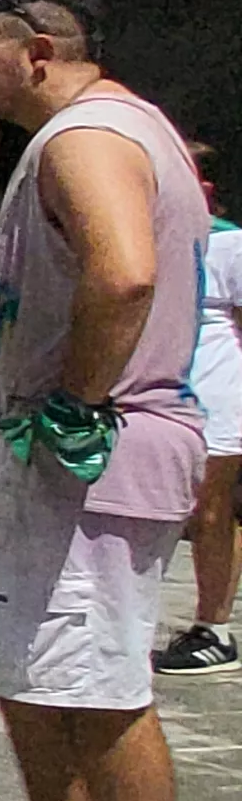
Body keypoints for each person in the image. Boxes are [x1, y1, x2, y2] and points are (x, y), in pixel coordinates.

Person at [0, 0, 218, 801]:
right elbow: (1, 294)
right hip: (55, 447)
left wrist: (80, 400)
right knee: (9, 647)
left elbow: (124, 271)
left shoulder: (89, 137)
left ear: (37, 51)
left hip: (91, 450)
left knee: (98, 683)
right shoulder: (65, 141)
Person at [160, 174, 239, 676]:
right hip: (157, 394)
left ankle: (215, 627)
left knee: (210, 512)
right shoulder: (147, 236)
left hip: (217, 393)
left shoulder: (230, 244)